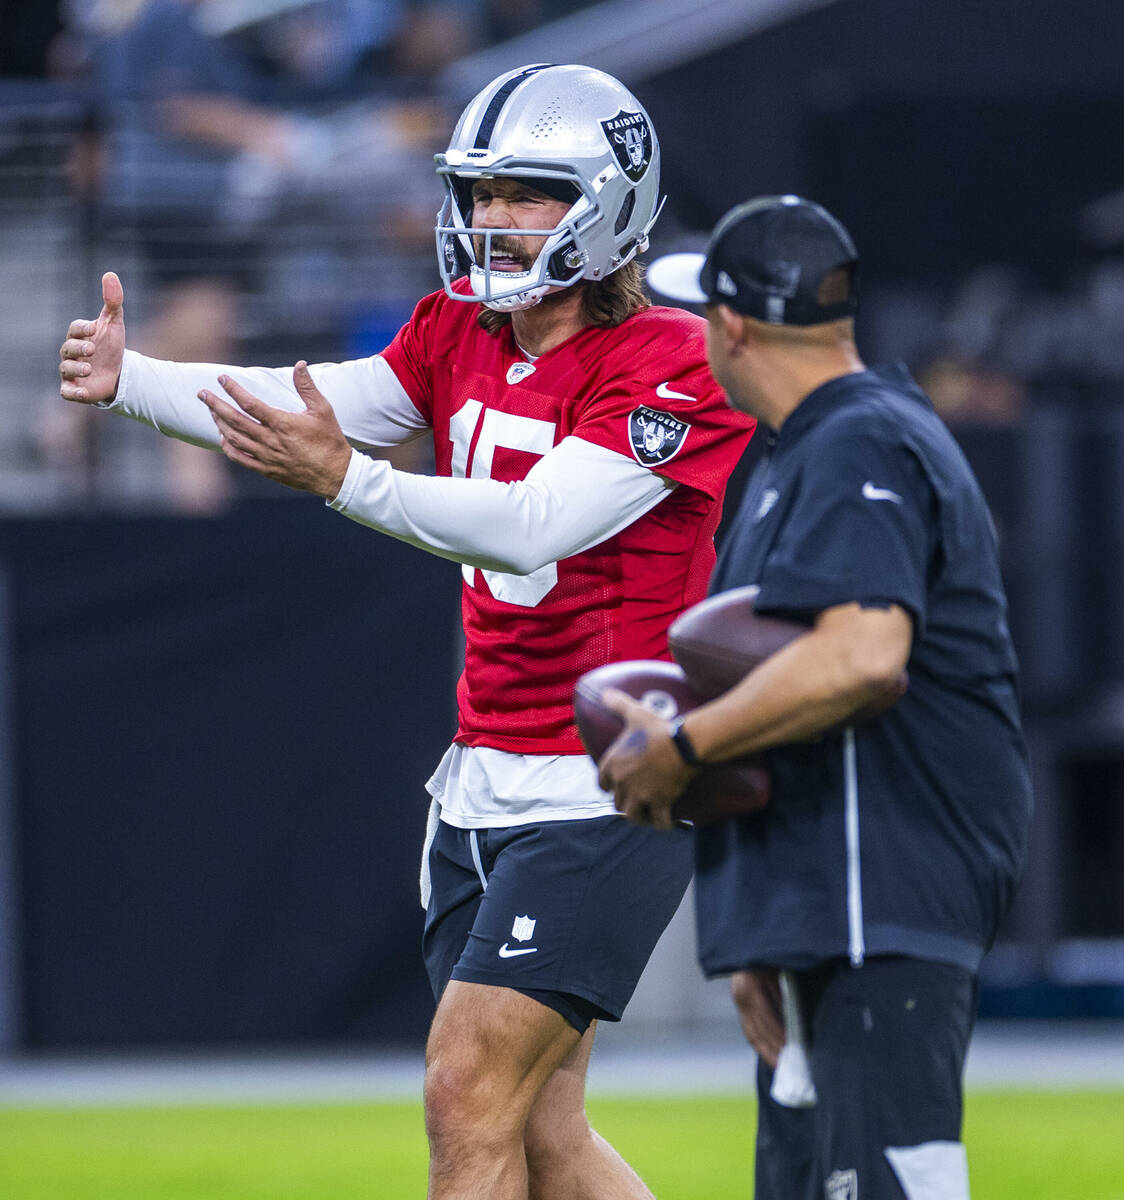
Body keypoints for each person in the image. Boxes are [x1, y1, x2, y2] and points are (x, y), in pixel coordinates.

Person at [57, 64, 755, 1199]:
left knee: (463, 1090)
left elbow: (535, 527)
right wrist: (134, 379)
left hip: (609, 776)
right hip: (483, 768)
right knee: (540, 1131)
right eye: (478, 192)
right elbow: (312, 402)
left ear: (611, 199)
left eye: (525, 191)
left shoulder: (671, 359)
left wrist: (347, 482)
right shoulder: (456, 330)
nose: (491, 219)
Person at [597, 195, 1031, 1200]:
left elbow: (862, 655)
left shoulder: (857, 441)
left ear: (733, 327)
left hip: (879, 895)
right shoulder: (806, 448)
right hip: (826, 905)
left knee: (886, 1185)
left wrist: (684, 745)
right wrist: (762, 933)